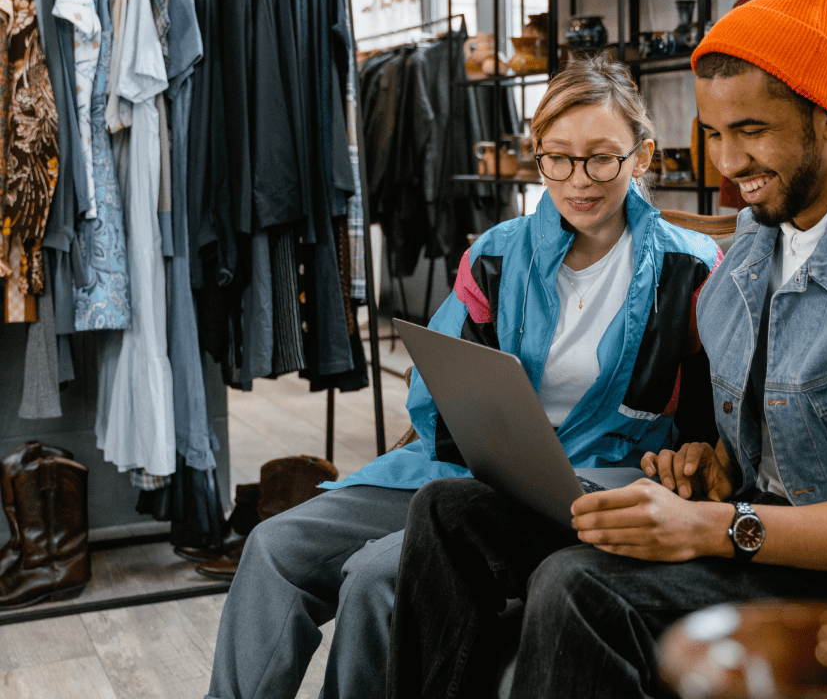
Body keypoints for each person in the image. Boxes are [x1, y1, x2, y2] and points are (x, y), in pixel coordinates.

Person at [385, 0, 827, 699]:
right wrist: (708, 467)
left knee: (578, 586)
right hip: (758, 533)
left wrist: (717, 526)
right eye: (714, 133)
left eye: (751, 132)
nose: (727, 164)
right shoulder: (757, 244)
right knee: (449, 513)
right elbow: (763, 448)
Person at [203, 54, 723, 699]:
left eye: (601, 158)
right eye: (556, 158)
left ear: (641, 157)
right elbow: (445, 390)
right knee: (274, 547)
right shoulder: (496, 255)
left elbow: (709, 425)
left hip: (592, 488)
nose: (577, 180)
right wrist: (469, 434)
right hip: (465, 469)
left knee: (374, 578)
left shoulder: (691, 271)